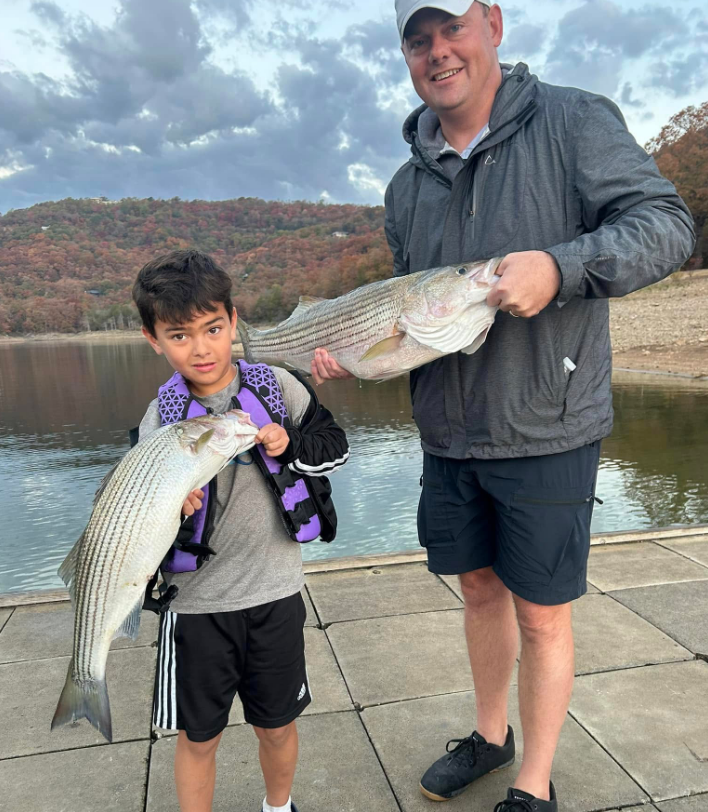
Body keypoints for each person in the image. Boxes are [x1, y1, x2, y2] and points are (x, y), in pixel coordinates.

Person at [311, 2, 695, 810]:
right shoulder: (404, 182)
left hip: (548, 422)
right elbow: (412, 318)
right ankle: (491, 738)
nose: (436, 52)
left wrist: (560, 267)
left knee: (544, 616)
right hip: (449, 432)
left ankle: (534, 781)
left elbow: (665, 226)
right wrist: (351, 354)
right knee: (479, 591)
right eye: (417, 40)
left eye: (450, 27)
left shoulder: (573, 121)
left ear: (491, 22)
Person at [132, 249, 349, 812]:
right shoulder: (159, 421)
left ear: (233, 321)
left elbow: (335, 448)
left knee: (277, 726)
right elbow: (134, 523)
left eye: (212, 328)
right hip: (196, 608)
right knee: (197, 736)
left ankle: (279, 807)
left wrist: (289, 444)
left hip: (275, 595)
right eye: (179, 335)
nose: (201, 348)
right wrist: (172, 508)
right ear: (154, 339)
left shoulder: (279, 387)